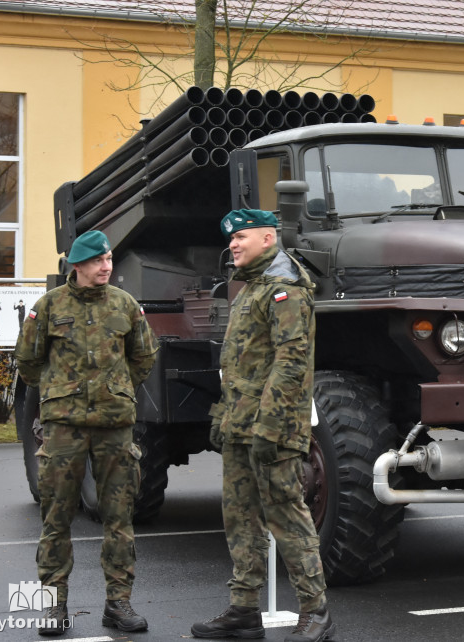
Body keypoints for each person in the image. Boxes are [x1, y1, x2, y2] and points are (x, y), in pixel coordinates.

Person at [191, 209, 335, 642]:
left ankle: (316, 610)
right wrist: (224, 416)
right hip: (242, 424)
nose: (233, 245)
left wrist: (270, 427)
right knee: (239, 516)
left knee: (286, 516)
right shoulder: (252, 288)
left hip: (271, 428)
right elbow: (241, 366)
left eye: (242, 237)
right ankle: (244, 610)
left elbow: (290, 364)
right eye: (231, 239)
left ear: (268, 237)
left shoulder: (285, 289)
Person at [14, 230, 158, 637]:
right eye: (98, 261)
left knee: (119, 519)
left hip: (115, 428)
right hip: (64, 428)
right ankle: (53, 608)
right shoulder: (48, 307)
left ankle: (118, 604)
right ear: (77, 266)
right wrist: (62, 391)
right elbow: (28, 361)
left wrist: (116, 388)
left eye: (109, 259)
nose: (107, 267)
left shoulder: (125, 305)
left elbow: (144, 355)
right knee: (56, 517)